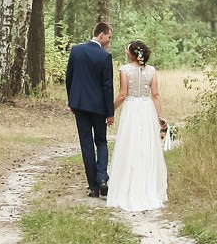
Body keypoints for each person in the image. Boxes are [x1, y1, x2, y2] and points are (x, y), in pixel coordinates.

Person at [105, 39, 168, 212]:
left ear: (133, 54)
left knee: (130, 144)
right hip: (147, 109)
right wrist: (159, 117)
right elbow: (156, 95)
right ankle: (147, 186)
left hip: (132, 109)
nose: (126, 52)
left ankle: (128, 186)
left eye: (127, 50)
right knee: (146, 145)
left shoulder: (124, 70)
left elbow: (122, 94)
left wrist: (110, 111)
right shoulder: (152, 71)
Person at [63, 21, 116, 197]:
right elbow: (107, 86)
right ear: (101, 35)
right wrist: (110, 112)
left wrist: (72, 102)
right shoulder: (105, 56)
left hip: (80, 105)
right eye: (108, 37)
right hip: (99, 107)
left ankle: (93, 187)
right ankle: (102, 178)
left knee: (86, 144)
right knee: (101, 141)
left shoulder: (76, 51)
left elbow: (69, 78)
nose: (109, 40)